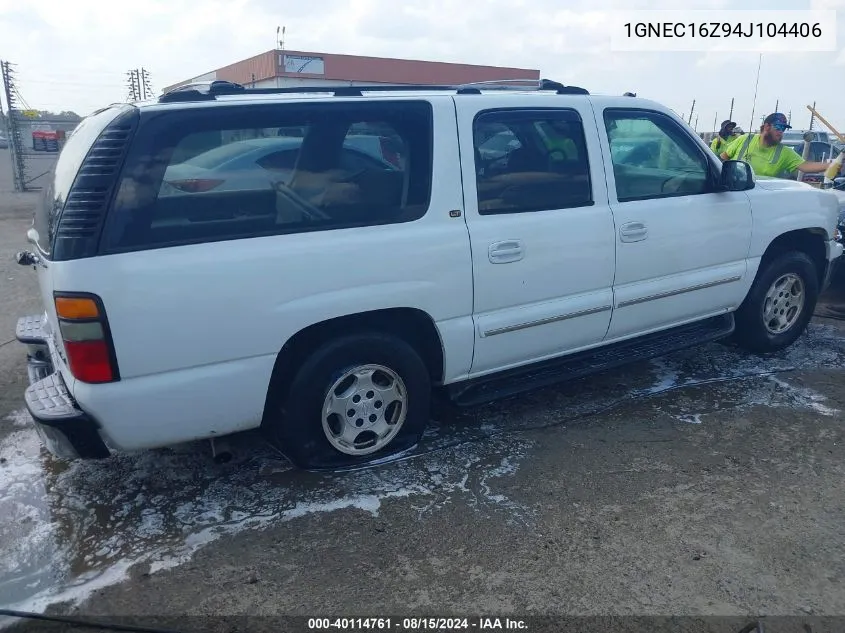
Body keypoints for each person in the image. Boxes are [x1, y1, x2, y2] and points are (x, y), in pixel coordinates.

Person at [720, 113, 833, 178]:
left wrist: (833, 165)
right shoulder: (744, 139)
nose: (781, 132)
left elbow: (805, 166)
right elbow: (723, 158)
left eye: (783, 129)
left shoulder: (784, 152)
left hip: (760, 199)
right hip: (733, 193)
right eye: (778, 127)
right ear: (766, 127)